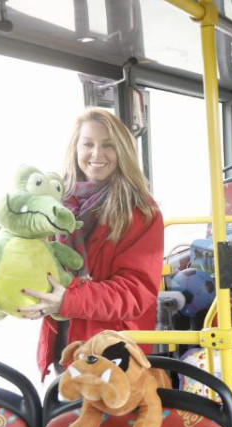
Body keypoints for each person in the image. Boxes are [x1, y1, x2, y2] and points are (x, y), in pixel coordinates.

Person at [21, 108, 165, 380]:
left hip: (112, 352)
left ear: (123, 151)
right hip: (64, 344)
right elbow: (48, 270)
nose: (96, 154)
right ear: (75, 148)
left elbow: (136, 292)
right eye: (88, 144)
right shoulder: (55, 206)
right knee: (65, 422)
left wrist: (68, 300)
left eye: (108, 145)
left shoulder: (141, 212)